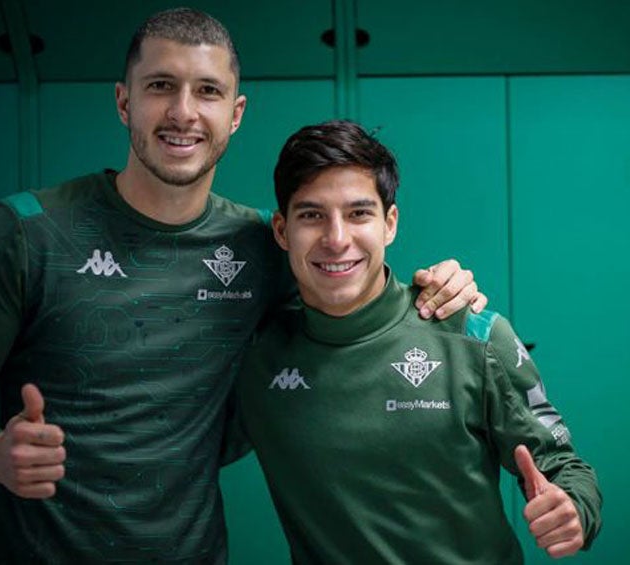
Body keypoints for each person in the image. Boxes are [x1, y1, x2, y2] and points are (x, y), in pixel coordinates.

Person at [0, 8, 486, 564]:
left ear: (235, 113)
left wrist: (442, 288)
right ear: (123, 101)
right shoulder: (28, 230)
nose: (183, 112)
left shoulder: (266, 244)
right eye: (161, 85)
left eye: (207, 91)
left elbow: (356, 290)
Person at [235, 120, 602, 564]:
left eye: (359, 213)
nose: (336, 239)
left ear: (390, 223)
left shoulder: (472, 335)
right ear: (281, 230)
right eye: (312, 215)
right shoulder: (256, 355)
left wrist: (572, 508)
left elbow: (563, 465)